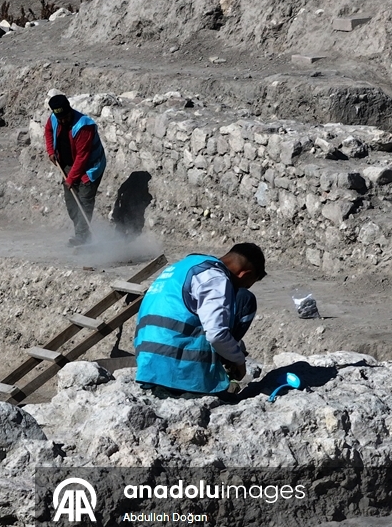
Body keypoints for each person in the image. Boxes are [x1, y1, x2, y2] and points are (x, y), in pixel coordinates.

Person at [134, 243, 266, 397]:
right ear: (245, 274)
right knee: (246, 300)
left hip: (149, 363)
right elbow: (216, 334)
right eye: (247, 284)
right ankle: (210, 376)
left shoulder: (184, 266)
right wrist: (238, 360)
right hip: (179, 371)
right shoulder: (215, 277)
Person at [44, 94, 107, 247]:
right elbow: (48, 131)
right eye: (60, 118)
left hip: (89, 168)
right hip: (67, 165)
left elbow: (82, 157)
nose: (63, 121)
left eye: (65, 117)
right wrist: (51, 151)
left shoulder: (83, 126)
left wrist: (71, 179)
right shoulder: (54, 118)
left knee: (84, 202)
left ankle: (81, 237)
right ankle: (82, 233)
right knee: (72, 204)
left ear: (70, 110)